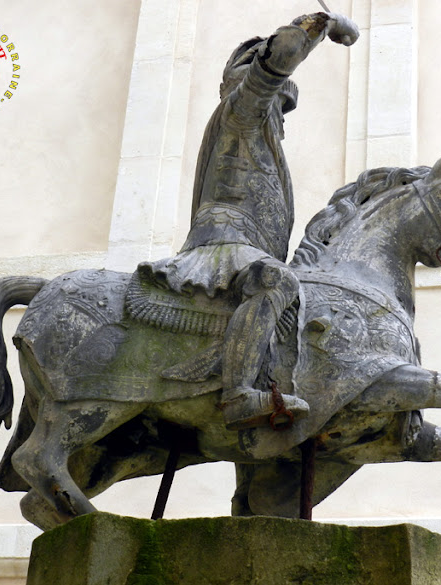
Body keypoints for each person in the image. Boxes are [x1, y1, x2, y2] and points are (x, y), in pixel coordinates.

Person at [138, 12, 359, 430]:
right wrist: (316, 27)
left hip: (243, 243)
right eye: (278, 100)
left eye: (282, 104)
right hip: (224, 238)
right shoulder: (242, 112)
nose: (279, 110)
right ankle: (238, 394)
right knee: (279, 281)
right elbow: (273, 66)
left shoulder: (263, 134)